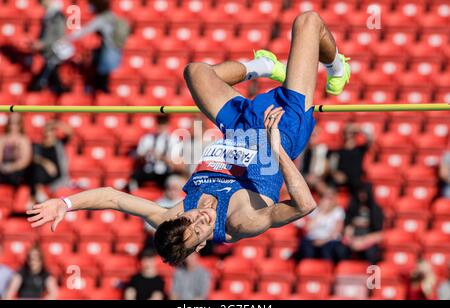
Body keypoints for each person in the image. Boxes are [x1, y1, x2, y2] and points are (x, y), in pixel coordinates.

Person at [26, 11, 352, 266]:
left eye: (190, 220)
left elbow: (113, 198)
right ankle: (338, 67)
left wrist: (65, 203)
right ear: (200, 245)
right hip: (280, 129)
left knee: (195, 72)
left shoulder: (172, 217)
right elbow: (304, 205)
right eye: (199, 230)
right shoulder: (242, 222)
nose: (200, 219)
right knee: (308, 23)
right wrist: (278, 150)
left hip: (237, 126)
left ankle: (263, 66)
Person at [63, 0, 129, 92]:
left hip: (107, 54)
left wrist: (66, 39)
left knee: (101, 83)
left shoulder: (102, 19)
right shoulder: (113, 16)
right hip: (116, 54)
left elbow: (84, 31)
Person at [293, 187, 347, 263]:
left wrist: (323, 241)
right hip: (313, 239)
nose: (328, 201)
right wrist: (321, 213)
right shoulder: (315, 211)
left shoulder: (338, 211)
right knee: (306, 248)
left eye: (330, 198)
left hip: (329, 240)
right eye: (325, 198)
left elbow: (337, 231)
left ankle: (326, 270)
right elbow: (308, 228)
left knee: (327, 250)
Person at [129, 117, 182, 190]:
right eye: (159, 123)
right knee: (133, 179)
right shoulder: (147, 138)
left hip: (165, 172)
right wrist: (146, 154)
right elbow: (139, 156)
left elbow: (176, 163)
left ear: (167, 125)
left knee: (173, 182)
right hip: (148, 170)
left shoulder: (173, 139)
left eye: (163, 124)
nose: (161, 126)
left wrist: (160, 157)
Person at [28, 0, 67, 94]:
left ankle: (40, 86)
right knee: (50, 71)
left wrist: (43, 43)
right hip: (48, 50)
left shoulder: (57, 15)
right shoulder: (49, 14)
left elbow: (59, 35)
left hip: (53, 50)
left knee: (49, 70)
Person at [30, 120, 73, 202]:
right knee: (36, 168)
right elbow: (33, 157)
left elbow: (70, 132)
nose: (48, 133)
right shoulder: (38, 145)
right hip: (43, 175)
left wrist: (56, 124)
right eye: (47, 130)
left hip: (57, 176)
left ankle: (39, 194)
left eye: (51, 130)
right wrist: (46, 163)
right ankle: (39, 192)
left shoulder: (59, 144)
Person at [342, 183, 384, 264]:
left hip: (368, 240)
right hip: (353, 240)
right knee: (341, 249)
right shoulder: (352, 208)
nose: (362, 195)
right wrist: (351, 240)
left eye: (364, 193)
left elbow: (379, 233)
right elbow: (347, 227)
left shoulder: (376, 210)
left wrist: (363, 241)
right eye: (360, 193)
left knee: (372, 252)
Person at [328, 124, 373, 195]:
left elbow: (371, 139)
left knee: (367, 187)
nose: (349, 135)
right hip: (341, 180)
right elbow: (332, 166)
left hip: (355, 182)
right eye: (347, 133)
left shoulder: (360, 149)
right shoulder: (338, 151)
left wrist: (360, 129)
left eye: (352, 133)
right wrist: (335, 174)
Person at [0, 114, 32, 189]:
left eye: (17, 122)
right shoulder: (3, 139)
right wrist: (3, 167)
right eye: (11, 122)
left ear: (21, 124)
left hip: (18, 171)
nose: (14, 125)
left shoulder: (24, 140)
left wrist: (11, 167)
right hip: (4, 169)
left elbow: (25, 161)